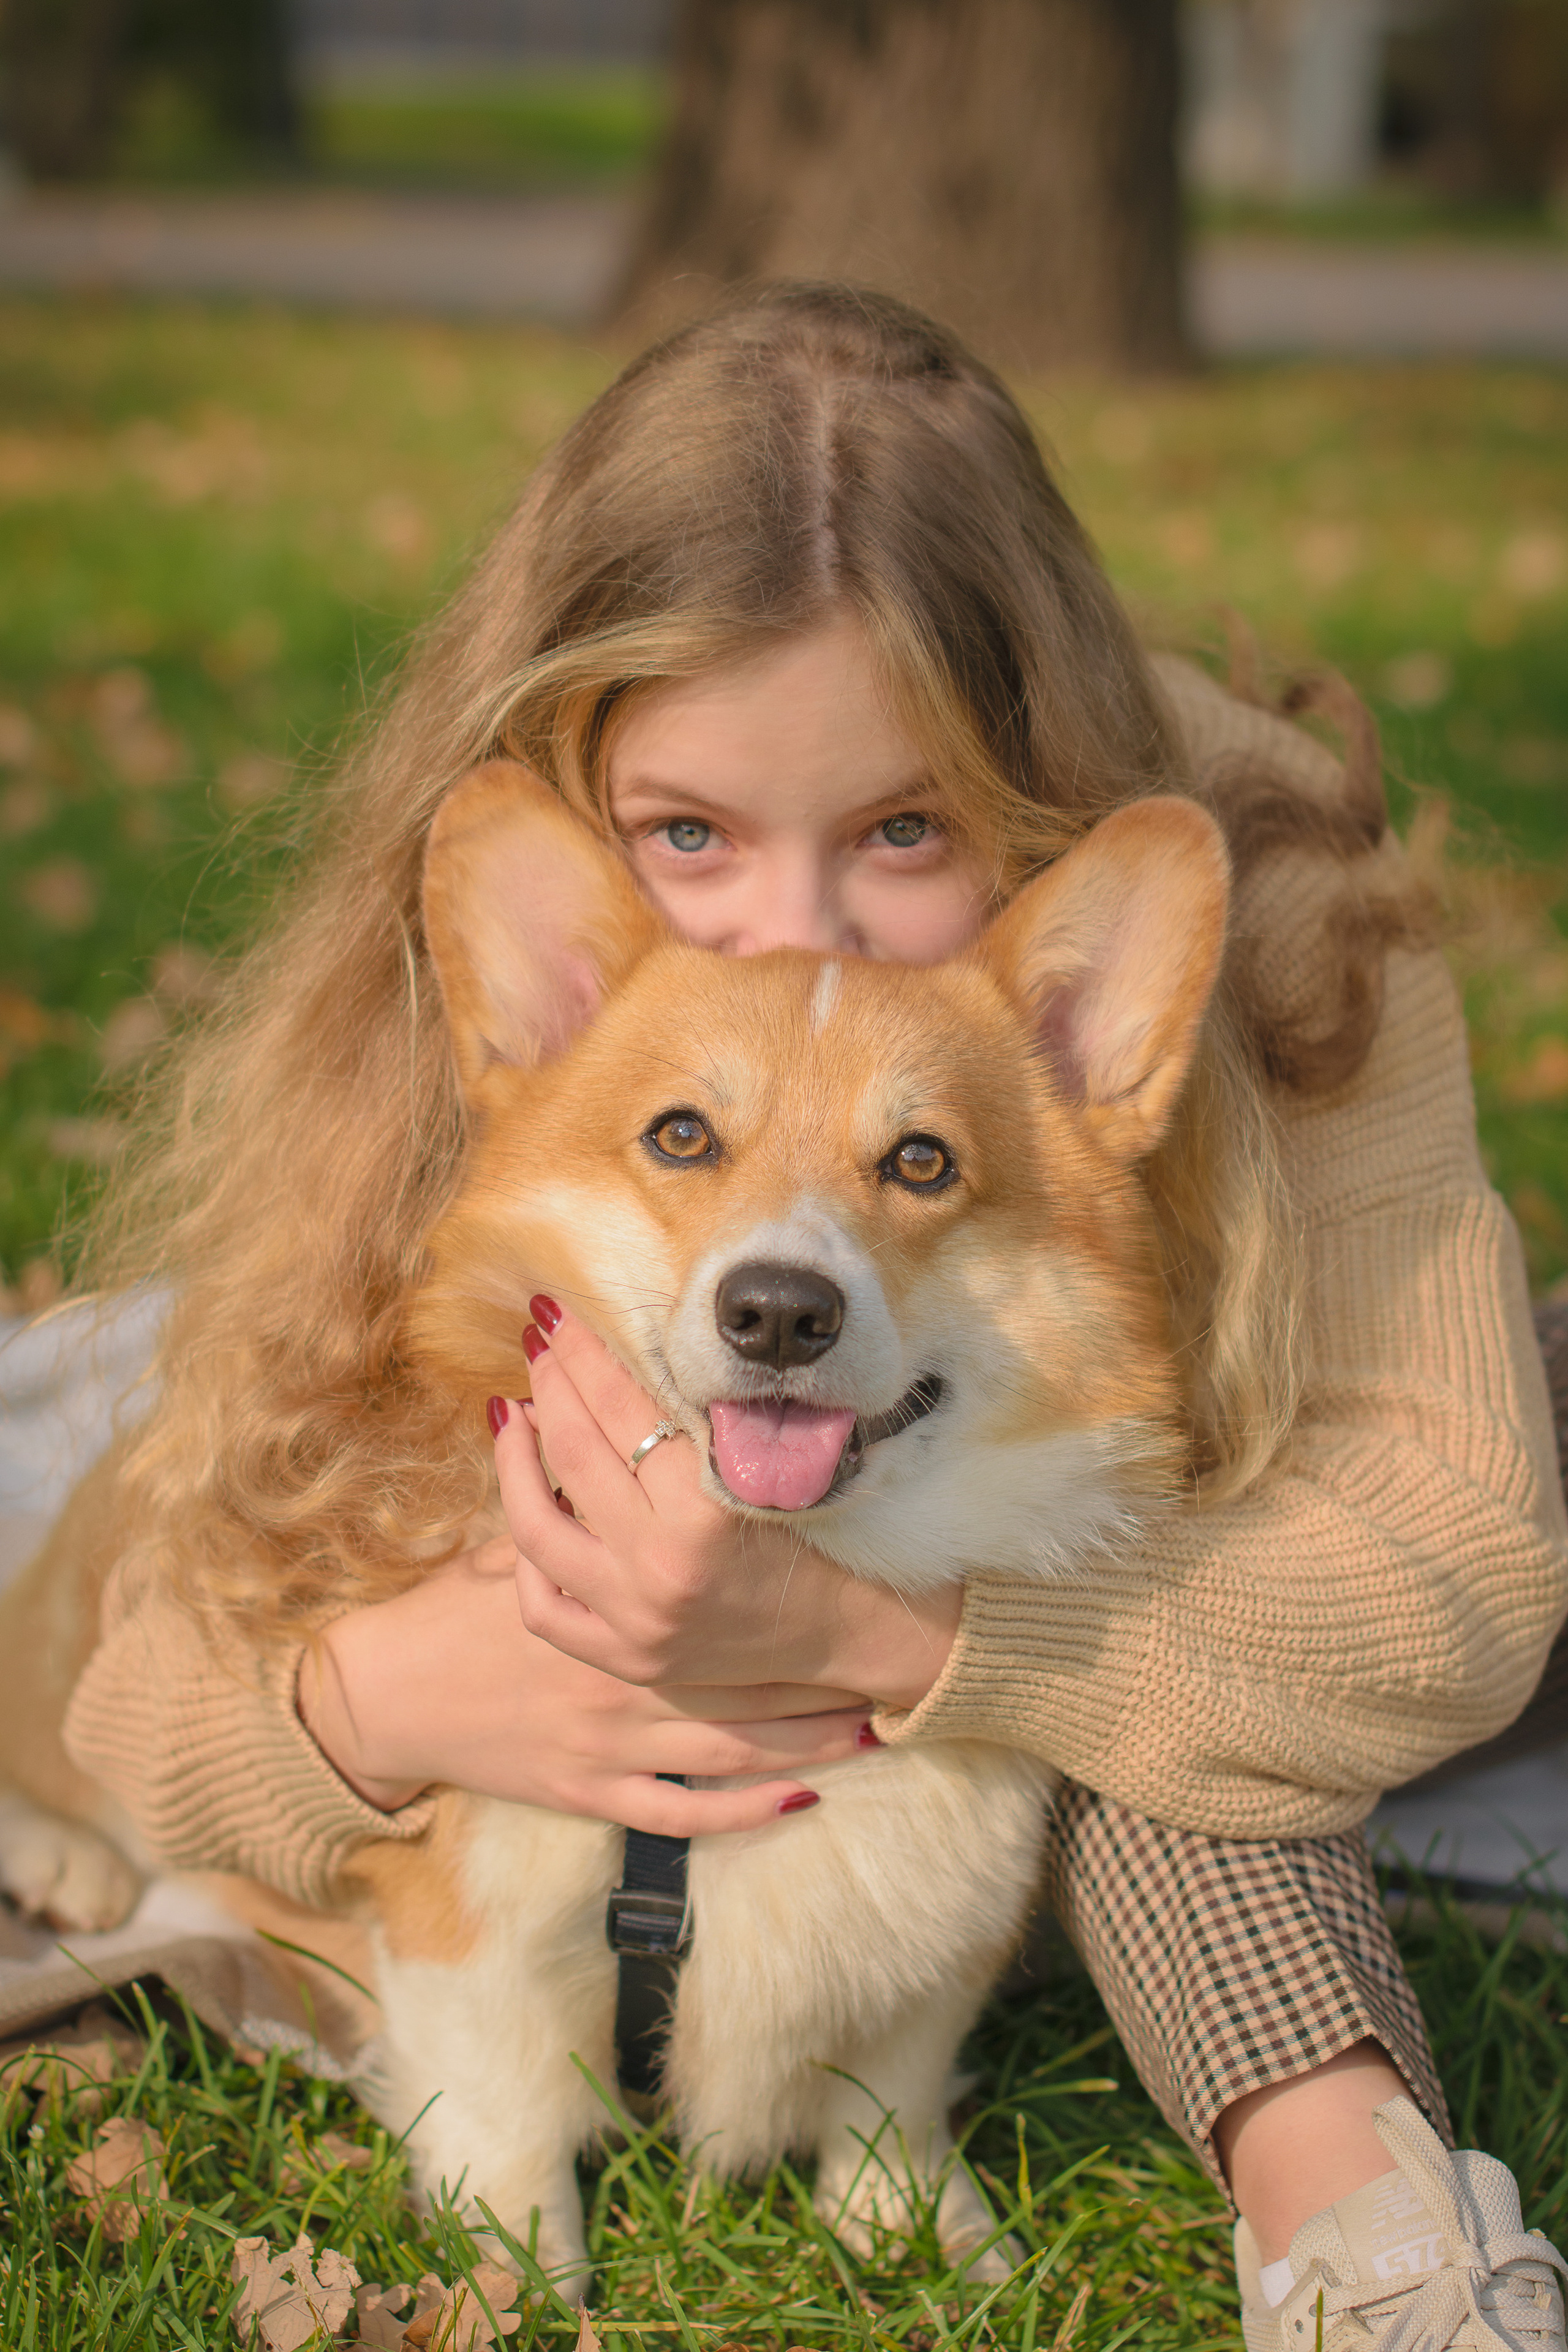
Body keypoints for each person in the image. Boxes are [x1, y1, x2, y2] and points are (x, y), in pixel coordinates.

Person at [62, 285, 1568, 2350]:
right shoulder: (526, 988)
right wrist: (384, 1696)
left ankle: (1361, 2207)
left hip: (1125, 1485)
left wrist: (892, 1641)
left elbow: (1460, 1574)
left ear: (1023, 766)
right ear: (573, 768)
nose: (790, 933)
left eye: (903, 829)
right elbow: (137, 1704)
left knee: (1231, 1603)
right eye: (689, 831)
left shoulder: (1241, 884)